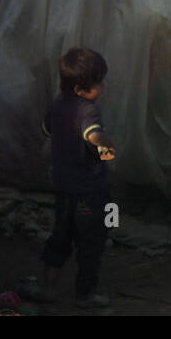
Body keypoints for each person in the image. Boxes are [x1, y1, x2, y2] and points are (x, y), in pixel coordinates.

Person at [41, 47, 117, 307]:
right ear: (79, 89)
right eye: (97, 84)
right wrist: (107, 145)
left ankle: (47, 288)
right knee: (91, 242)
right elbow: (92, 135)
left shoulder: (57, 106)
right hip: (89, 192)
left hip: (63, 187)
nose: (103, 88)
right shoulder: (87, 110)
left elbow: (48, 129)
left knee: (60, 237)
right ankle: (86, 294)